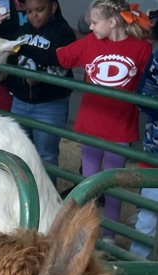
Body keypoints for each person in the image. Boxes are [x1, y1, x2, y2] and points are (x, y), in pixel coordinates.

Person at [57, 0, 152, 242]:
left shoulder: (142, 49)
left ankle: (108, 235)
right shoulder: (90, 42)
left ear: (112, 22)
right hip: (91, 126)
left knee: (112, 184)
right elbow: (62, 58)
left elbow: (149, 85)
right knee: (88, 182)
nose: (90, 27)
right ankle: (84, 234)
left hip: (120, 128)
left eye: (94, 22)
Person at [8, 0, 75, 181]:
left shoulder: (63, 33)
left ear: (53, 7)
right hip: (20, 101)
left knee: (46, 155)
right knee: (18, 151)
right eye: (29, 11)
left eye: (39, 10)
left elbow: (62, 65)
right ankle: (22, 196)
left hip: (50, 105)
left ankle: (48, 200)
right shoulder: (23, 30)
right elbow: (13, 61)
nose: (34, 15)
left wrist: (39, 76)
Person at [130, 9, 158, 258]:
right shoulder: (157, 57)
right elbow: (144, 95)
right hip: (156, 151)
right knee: (149, 212)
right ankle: (137, 268)